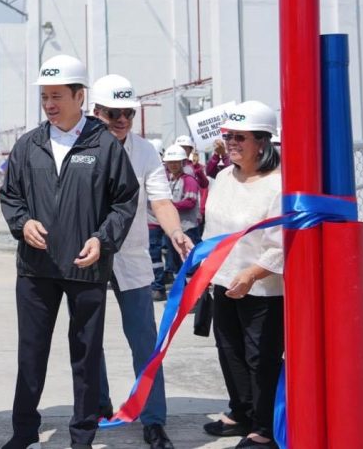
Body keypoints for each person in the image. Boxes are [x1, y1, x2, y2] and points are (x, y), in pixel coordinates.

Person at [0, 55, 140, 449]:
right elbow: (10, 196)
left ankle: (82, 434)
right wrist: (22, 223)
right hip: (35, 268)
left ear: (80, 96)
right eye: (45, 96)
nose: (49, 104)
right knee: (31, 354)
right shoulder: (29, 145)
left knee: (85, 355)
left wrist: (102, 239)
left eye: (57, 95)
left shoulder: (105, 145)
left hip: (86, 268)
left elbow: (124, 200)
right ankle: (24, 431)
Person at [90, 74, 193, 449]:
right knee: (89, 339)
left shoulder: (145, 151)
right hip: (88, 257)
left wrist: (174, 233)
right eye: (114, 113)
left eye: (128, 114)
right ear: (96, 111)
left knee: (144, 341)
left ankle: (153, 418)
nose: (122, 121)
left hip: (132, 257)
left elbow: (160, 200)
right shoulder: (78, 148)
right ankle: (98, 407)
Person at [201, 101, 283, 448]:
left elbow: (280, 244)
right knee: (229, 351)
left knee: (259, 358)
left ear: (262, 142)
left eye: (240, 137)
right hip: (223, 282)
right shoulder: (223, 177)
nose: (231, 142)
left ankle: (263, 428)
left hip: (262, 289)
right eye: (229, 136)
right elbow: (212, 229)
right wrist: (203, 269)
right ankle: (241, 411)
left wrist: (251, 274)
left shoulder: (279, 185)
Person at [162, 145, 202, 282]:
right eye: (169, 162)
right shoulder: (170, 180)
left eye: (175, 162)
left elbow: (190, 202)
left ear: (183, 163)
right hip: (173, 229)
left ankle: (195, 298)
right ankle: (181, 294)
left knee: (190, 264)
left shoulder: (188, 180)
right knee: (176, 264)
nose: (172, 165)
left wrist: (168, 206)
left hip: (188, 228)